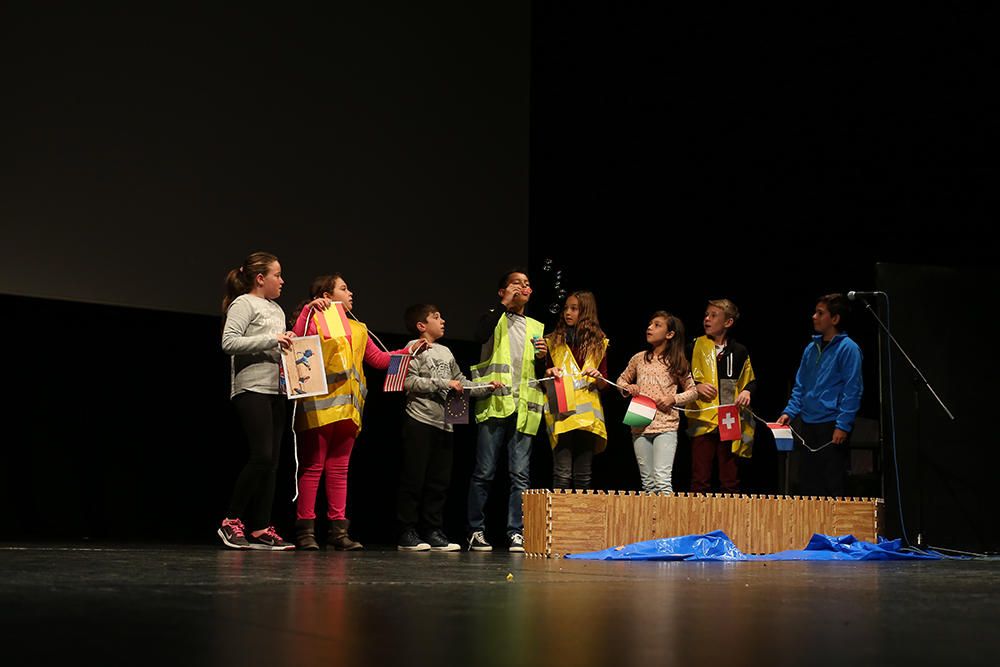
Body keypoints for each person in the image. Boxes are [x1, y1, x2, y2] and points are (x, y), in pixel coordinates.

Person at [291, 274, 417, 550]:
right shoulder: (315, 320)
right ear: (327, 296)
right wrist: (309, 310)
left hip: (349, 409)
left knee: (339, 470)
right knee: (313, 467)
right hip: (319, 406)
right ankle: (306, 532)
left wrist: (408, 352)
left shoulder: (359, 328)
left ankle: (338, 532)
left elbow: (379, 359)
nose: (351, 293)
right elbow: (297, 342)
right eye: (344, 288)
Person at [218, 251, 308, 550]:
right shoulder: (244, 303)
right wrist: (273, 339)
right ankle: (231, 521)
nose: (282, 281)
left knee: (272, 463)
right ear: (260, 278)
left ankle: (260, 527)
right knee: (261, 457)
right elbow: (229, 342)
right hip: (251, 388)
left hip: (277, 390)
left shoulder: (278, 310)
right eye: (277, 275)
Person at [396, 304, 502, 552]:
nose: (442, 320)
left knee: (439, 481)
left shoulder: (446, 351)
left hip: (445, 425)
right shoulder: (410, 349)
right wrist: (443, 383)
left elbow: (461, 382)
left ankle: (432, 530)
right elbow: (406, 381)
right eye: (436, 317)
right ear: (422, 326)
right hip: (420, 421)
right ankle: (406, 531)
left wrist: (486, 386)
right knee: (414, 478)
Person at [466, 269, 547, 553]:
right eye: (516, 282)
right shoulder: (493, 317)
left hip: (524, 406)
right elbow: (479, 335)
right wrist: (502, 306)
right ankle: (476, 530)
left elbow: (535, 371)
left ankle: (516, 532)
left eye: (527, 283)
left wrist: (541, 358)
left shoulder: (537, 326)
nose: (523, 286)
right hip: (495, 402)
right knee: (485, 471)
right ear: (503, 291)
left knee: (520, 476)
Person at [777, 293, 863, 497]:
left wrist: (842, 425)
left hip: (831, 425)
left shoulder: (848, 349)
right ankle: (813, 528)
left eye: (820, 313)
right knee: (808, 482)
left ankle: (835, 530)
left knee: (832, 483)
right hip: (809, 424)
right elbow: (801, 385)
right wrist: (790, 411)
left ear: (835, 319)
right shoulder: (811, 348)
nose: (814, 316)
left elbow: (853, 390)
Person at [617, 311, 698, 494]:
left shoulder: (677, 362)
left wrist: (673, 398)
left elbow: (693, 392)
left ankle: (667, 522)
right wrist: (628, 387)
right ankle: (651, 522)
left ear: (670, 334)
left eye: (657, 325)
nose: (650, 327)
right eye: (650, 324)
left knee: (662, 480)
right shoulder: (639, 358)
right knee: (648, 484)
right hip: (639, 424)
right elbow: (620, 381)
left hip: (665, 425)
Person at [687, 299, 758, 493]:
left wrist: (746, 391)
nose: (707, 319)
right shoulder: (695, 346)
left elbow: (750, 380)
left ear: (728, 322)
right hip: (703, 418)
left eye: (713, 315)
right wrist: (697, 386)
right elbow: (681, 374)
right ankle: (699, 519)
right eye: (706, 315)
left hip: (729, 417)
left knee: (730, 477)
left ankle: (729, 520)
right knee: (700, 477)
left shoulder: (739, 351)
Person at [542, 291, 610, 490]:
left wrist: (599, 378)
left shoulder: (599, 343)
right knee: (562, 473)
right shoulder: (553, 341)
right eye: (566, 308)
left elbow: (604, 384)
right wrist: (548, 370)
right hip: (563, 412)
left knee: (583, 475)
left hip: (587, 417)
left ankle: (581, 519)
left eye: (574, 308)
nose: (567, 313)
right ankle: (559, 519)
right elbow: (542, 377)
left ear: (586, 312)